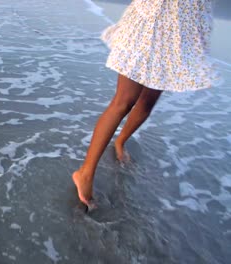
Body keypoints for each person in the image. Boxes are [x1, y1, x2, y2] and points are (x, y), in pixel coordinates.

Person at [72, 0, 217, 209]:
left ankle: (120, 141)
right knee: (124, 101)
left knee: (148, 101)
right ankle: (85, 173)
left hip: (180, 34)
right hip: (150, 25)